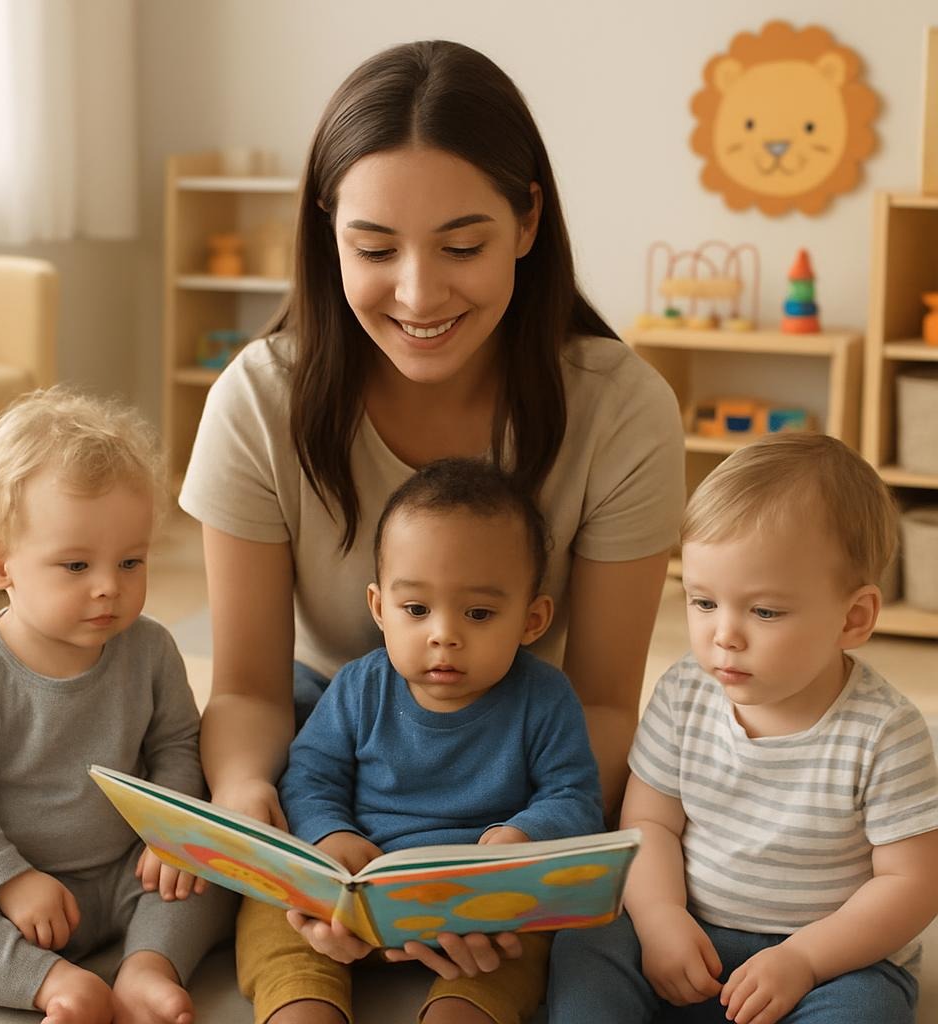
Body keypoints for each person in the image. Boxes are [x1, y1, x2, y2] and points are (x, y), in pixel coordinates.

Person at [179, 39, 683, 978]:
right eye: (374, 249)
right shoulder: (258, 400)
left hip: (511, 770)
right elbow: (247, 688)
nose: (417, 294)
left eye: (462, 246)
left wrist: (521, 865)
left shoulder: (621, 408)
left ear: (528, 222)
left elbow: (606, 701)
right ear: (328, 231)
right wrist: (259, 814)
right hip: (330, 751)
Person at [547, 432, 938, 1024]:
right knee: (586, 947)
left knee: (868, 1007)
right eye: (703, 602)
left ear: (853, 618)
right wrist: (660, 921)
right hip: (689, 934)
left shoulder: (885, 733)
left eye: (764, 611)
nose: (723, 635)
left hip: (829, 961)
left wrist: (804, 959)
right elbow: (649, 820)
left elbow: (912, 884)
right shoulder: (684, 692)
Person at [237, 457, 604, 1024]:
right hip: (353, 892)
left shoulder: (545, 697)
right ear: (380, 609)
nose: (444, 635)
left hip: (475, 908)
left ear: (532, 620)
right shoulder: (361, 685)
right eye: (416, 609)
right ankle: (302, 1005)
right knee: (274, 915)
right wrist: (330, 835)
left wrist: (523, 835)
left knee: (528, 945)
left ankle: (459, 1012)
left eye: (479, 613)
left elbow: (577, 797)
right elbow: (309, 775)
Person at [0, 387, 236, 1024]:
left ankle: (148, 965)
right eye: (76, 564)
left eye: (131, 561)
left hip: (127, 872)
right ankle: (55, 985)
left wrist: (168, 837)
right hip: (12, 890)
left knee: (219, 872)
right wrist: (9, 880)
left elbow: (176, 745)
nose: (108, 587)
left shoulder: (150, 649)